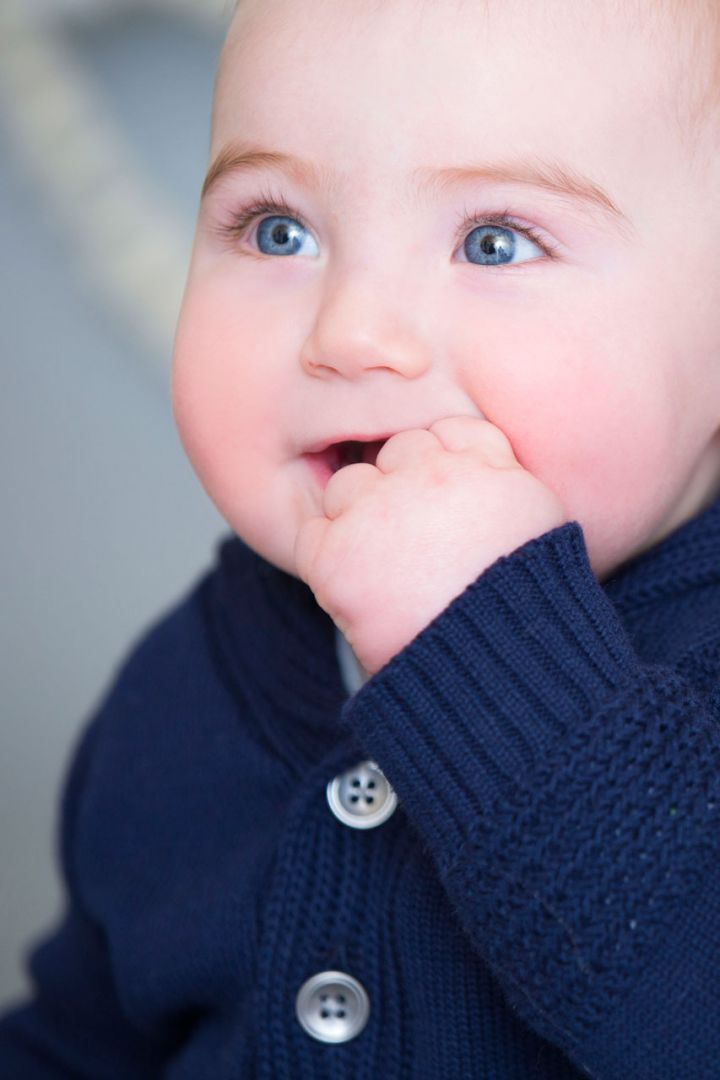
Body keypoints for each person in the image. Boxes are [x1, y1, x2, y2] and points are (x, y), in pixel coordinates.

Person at [3, 0, 720, 1074]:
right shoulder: (190, 679)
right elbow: (85, 1039)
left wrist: (489, 654)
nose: (350, 331)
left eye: (494, 242)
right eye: (277, 229)